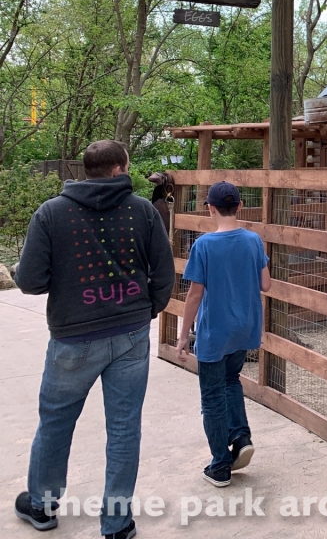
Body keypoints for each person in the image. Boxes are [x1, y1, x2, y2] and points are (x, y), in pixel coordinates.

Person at [14, 140, 175, 539]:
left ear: (83, 170)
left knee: (55, 422)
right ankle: (117, 523)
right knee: (124, 428)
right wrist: (146, 310)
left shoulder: (51, 213)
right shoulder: (142, 211)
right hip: (131, 334)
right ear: (121, 167)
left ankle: (42, 506)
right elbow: (165, 272)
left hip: (74, 337)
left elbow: (30, 281)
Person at [175, 181, 271, 487]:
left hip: (214, 332)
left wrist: (182, 335)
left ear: (210, 208)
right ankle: (241, 437)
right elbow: (265, 284)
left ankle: (220, 465)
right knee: (231, 381)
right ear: (241, 206)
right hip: (245, 329)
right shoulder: (254, 240)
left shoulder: (203, 245)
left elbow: (194, 295)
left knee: (212, 397)